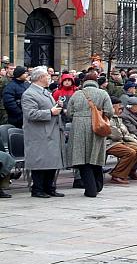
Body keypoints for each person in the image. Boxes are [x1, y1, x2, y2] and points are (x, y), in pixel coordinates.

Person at [22, 66, 66, 198]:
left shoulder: (44, 92)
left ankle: (49, 187)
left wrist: (58, 106)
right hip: (39, 133)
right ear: (41, 78)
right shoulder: (29, 94)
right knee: (40, 162)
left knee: (51, 161)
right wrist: (50, 112)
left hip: (50, 132)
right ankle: (38, 189)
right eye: (47, 76)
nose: (49, 78)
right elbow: (31, 114)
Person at [66, 74, 113, 197]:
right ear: (96, 82)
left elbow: (69, 112)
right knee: (95, 157)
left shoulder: (77, 94)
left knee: (82, 159)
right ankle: (97, 186)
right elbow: (109, 111)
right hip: (97, 127)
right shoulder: (103, 94)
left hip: (78, 127)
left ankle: (91, 189)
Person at [106, 96, 137, 183]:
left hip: (120, 141)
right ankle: (116, 175)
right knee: (130, 152)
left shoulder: (118, 118)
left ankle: (128, 172)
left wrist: (134, 140)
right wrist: (126, 137)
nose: (120, 109)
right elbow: (115, 135)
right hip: (109, 143)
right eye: (118, 106)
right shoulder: (108, 117)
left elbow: (125, 132)